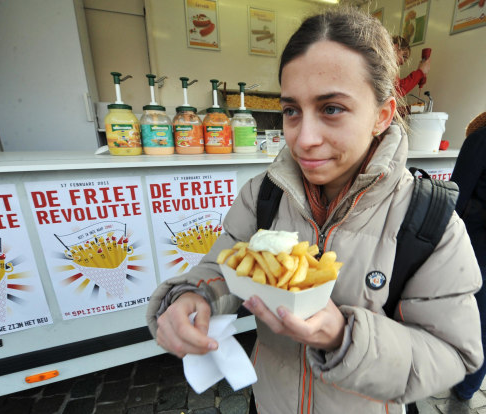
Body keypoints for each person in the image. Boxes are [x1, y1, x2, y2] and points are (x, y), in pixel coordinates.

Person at [146, 8, 483, 414]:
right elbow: (222, 268)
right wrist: (193, 297)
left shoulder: (429, 220)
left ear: (382, 115)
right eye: (291, 110)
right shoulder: (263, 197)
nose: (303, 139)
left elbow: (453, 355)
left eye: (332, 109)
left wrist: (344, 337)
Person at [451, 112, 486, 401]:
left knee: (477, 317)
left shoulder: (480, 139)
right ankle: (469, 386)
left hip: (477, 248)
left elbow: (456, 195)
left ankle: (463, 383)